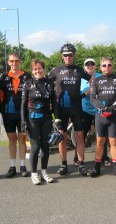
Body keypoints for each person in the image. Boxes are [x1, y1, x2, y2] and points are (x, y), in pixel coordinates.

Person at [47, 43, 92, 176]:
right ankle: (63, 164)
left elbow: (92, 80)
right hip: (61, 109)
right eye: (65, 55)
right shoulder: (56, 70)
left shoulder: (79, 70)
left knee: (79, 136)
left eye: (70, 55)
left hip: (76, 108)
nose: (68, 57)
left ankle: (81, 163)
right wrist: (51, 98)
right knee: (62, 137)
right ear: (62, 56)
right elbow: (46, 83)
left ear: (74, 56)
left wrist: (85, 94)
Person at [21, 59, 62, 185]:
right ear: (32, 71)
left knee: (45, 146)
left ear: (44, 69)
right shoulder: (28, 83)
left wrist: (58, 119)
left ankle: (44, 172)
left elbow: (54, 103)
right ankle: (34, 173)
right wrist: (23, 122)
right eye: (35, 69)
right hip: (32, 118)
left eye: (40, 68)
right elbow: (23, 104)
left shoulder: (49, 83)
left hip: (46, 119)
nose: (38, 71)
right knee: (35, 146)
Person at [88, 57, 116, 178]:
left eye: (109, 65)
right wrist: (104, 109)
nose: (107, 67)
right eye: (104, 65)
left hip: (113, 115)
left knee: (114, 141)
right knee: (99, 142)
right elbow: (93, 98)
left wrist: (113, 108)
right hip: (100, 116)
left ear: (112, 66)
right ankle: (97, 167)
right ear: (100, 67)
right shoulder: (96, 81)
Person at [73, 58, 111, 167]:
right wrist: (89, 90)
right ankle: (78, 159)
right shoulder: (80, 79)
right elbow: (78, 96)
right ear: (84, 67)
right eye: (87, 64)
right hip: (85, 110)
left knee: (101, 135)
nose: (90, 66)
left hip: (99, 110)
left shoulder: (100, 76)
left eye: (92, 64)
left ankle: (104, 158)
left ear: (95, 66)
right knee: (81, 136)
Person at [0, 52, 32, 178]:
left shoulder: (27, 76)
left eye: (17, 61)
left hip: (23, 114)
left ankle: (23, 166)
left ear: (20, 62)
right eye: (12, 61)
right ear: (8, 62)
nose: (14, 63)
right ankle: (12, 167)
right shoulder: (3, 77)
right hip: (8, 114)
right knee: (12, 140)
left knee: (22, 139)